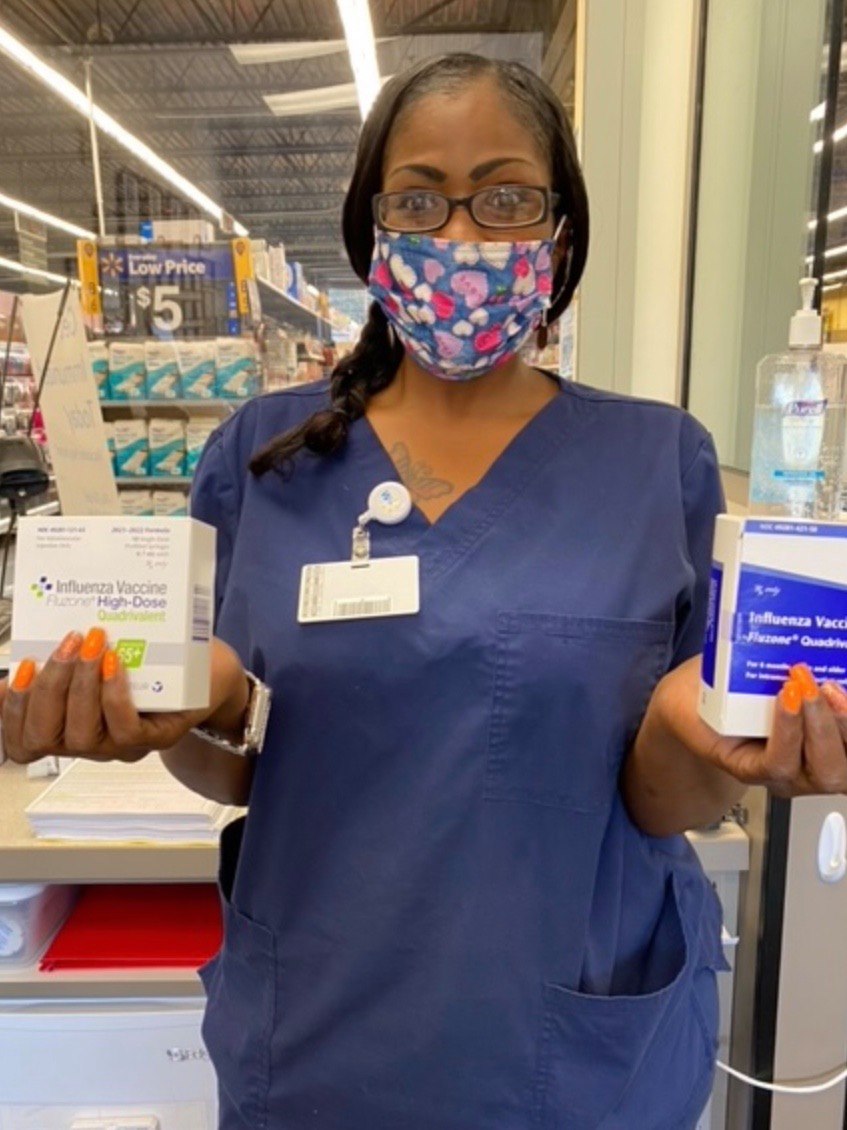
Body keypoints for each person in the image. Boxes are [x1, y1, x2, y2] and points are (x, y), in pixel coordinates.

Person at [5, 52, 847, 1130]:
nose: (459, 236)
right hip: (321, 1031)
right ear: (372, 230)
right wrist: (177, 713)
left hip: (574, 1049)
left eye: (504, 197)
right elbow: (237, 765)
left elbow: (656, 797)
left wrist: (703, 730)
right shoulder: (264, 457)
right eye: (418, 199)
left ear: (559, 233)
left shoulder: (655, 460)